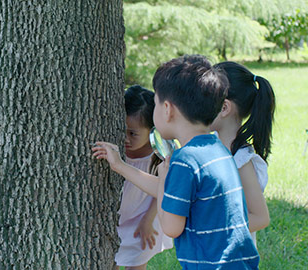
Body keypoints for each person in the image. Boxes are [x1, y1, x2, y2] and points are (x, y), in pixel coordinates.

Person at [93, 55, 259, 269]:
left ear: (168, 109)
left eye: (155, 104)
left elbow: (171, 226)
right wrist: (120, 166)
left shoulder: (186, 160)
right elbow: (173, 192)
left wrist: (163, 179)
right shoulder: (216, 149)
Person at [211, 61, 274, 246]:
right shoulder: (212, 145)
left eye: (204, 99)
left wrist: (213, 228)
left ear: (224, 108)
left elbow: (260, 217)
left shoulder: (240, 160)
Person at [114, 85, 173, 269]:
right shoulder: (117, 152)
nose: (126, 139)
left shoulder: (159, 155)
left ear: (151, 131)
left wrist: (148, 221)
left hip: (143, 220)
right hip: (116, 221)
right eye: (122, 130)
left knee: (137, 262)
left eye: (133, 133)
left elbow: (163, 190)